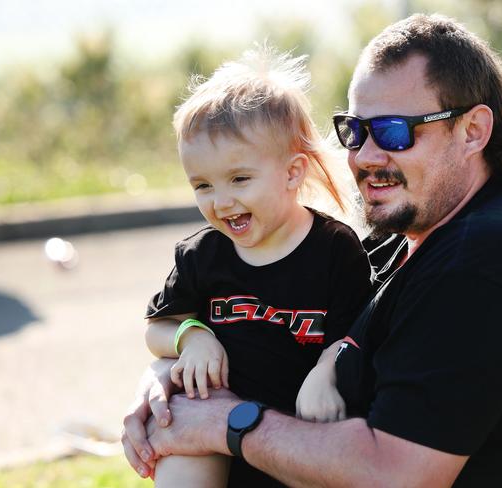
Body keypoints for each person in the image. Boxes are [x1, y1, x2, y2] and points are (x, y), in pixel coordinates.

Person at [123, 14, 502, 487]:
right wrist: (166, 378)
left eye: (393, 132)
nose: (364, 156)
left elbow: (396, 474)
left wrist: (228, 423)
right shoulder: (403, 242)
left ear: (472, 131)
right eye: (354, 130)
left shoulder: (490, 260)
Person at [138, 47, 372, 487]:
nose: (221, 201)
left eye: (239, 179)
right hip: (213, 428)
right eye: (202, 185)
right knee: (182, 454)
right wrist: (194, 338)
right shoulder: (201, 255)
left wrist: (326, 372)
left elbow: (354, 334)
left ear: (292, 172)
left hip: (296, 431)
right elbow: (156, 328)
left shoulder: (334, 250)